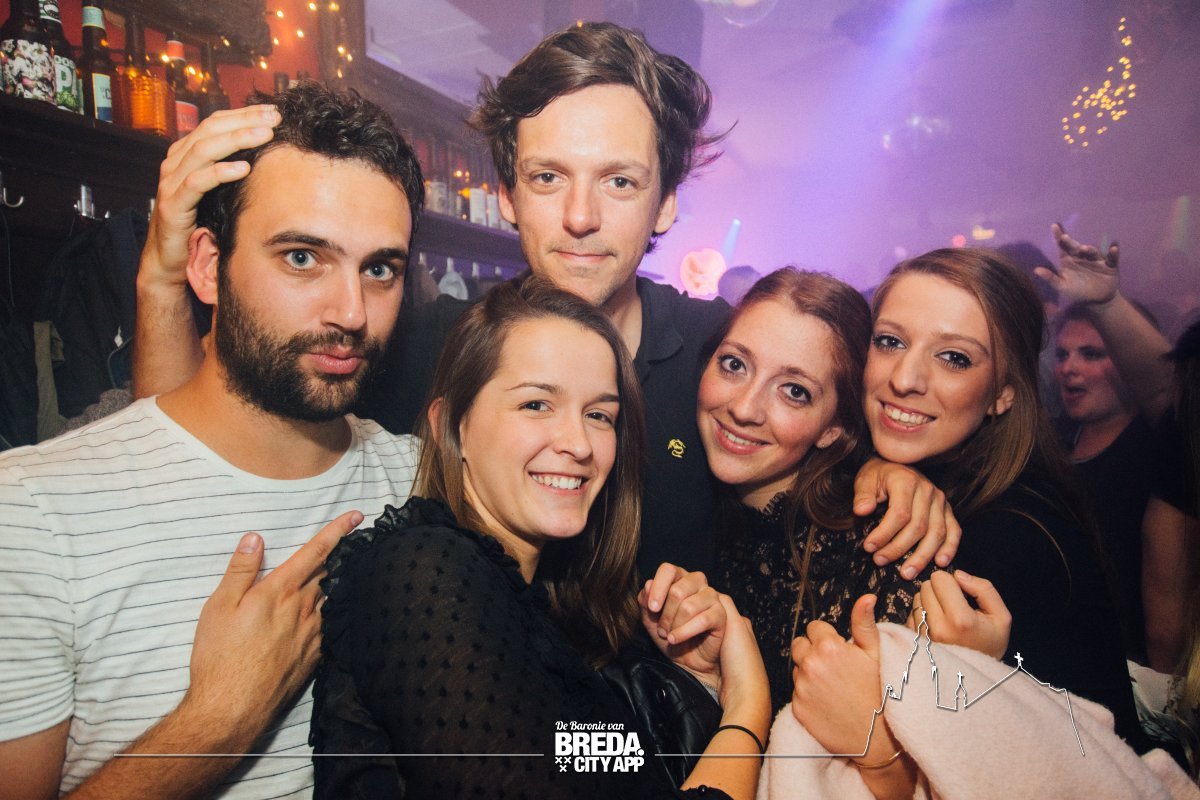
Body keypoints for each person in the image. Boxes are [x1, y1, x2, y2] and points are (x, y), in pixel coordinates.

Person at [129, 22, 959, 583]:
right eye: (548, 176)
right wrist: (161, 281)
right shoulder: (426, 340)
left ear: (666, 203)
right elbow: (188, 449)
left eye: (619, 182)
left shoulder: (721, 354)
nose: (581, 217)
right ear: (509, 195)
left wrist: (885, 473)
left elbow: (808, 444)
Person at [0, 84, 424, 799]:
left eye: (379, 269)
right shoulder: (34, 513)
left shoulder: (420, 479)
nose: (351, 312)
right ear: (205, 265)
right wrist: (217, 721)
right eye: (301, 257)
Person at [310, 277, 771, 798]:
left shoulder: (547, 606)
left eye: (598, 415)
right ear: (451, 427)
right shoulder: (424, 574)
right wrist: (748, 711)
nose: (579, 444)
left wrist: (696, 682)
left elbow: (623, 767)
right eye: (536, 405)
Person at [783, 248, 1144, 797]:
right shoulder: (897, 474)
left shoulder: (1009, 541)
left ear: (1003, 393)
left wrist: (970, 680)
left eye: (954, 358)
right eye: (890, 341)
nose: (905, 378)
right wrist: (878, 467)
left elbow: (1070, 769)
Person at [1053, 301, 1168, 663]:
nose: (1068, 367)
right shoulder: (1050, 440)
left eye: (1091, 354)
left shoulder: (1157, 452)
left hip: (1131, 662)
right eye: (1062, 354)